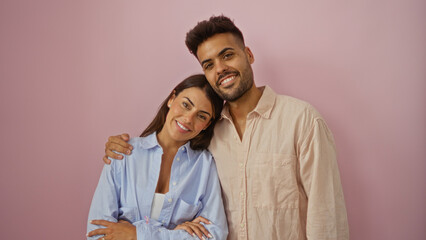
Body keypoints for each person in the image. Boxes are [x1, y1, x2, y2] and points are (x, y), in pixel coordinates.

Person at [103, 16, 349, 239]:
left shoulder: (302, 121)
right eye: (208, 65)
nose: (220, 68)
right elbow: (165, 168)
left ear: (249, 55)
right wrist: (124, 148)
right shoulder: (204, 131)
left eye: (227, 55)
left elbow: (327, 218)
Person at [87, 74, 228, 240]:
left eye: (201, 116)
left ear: (207, 125)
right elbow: (97, 232)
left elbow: (215, 234)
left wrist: (136, 233)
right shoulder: (123, 154)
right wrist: (175, 233)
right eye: (185, 105)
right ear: (171, 99)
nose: (188, 119)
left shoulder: (204, 165)